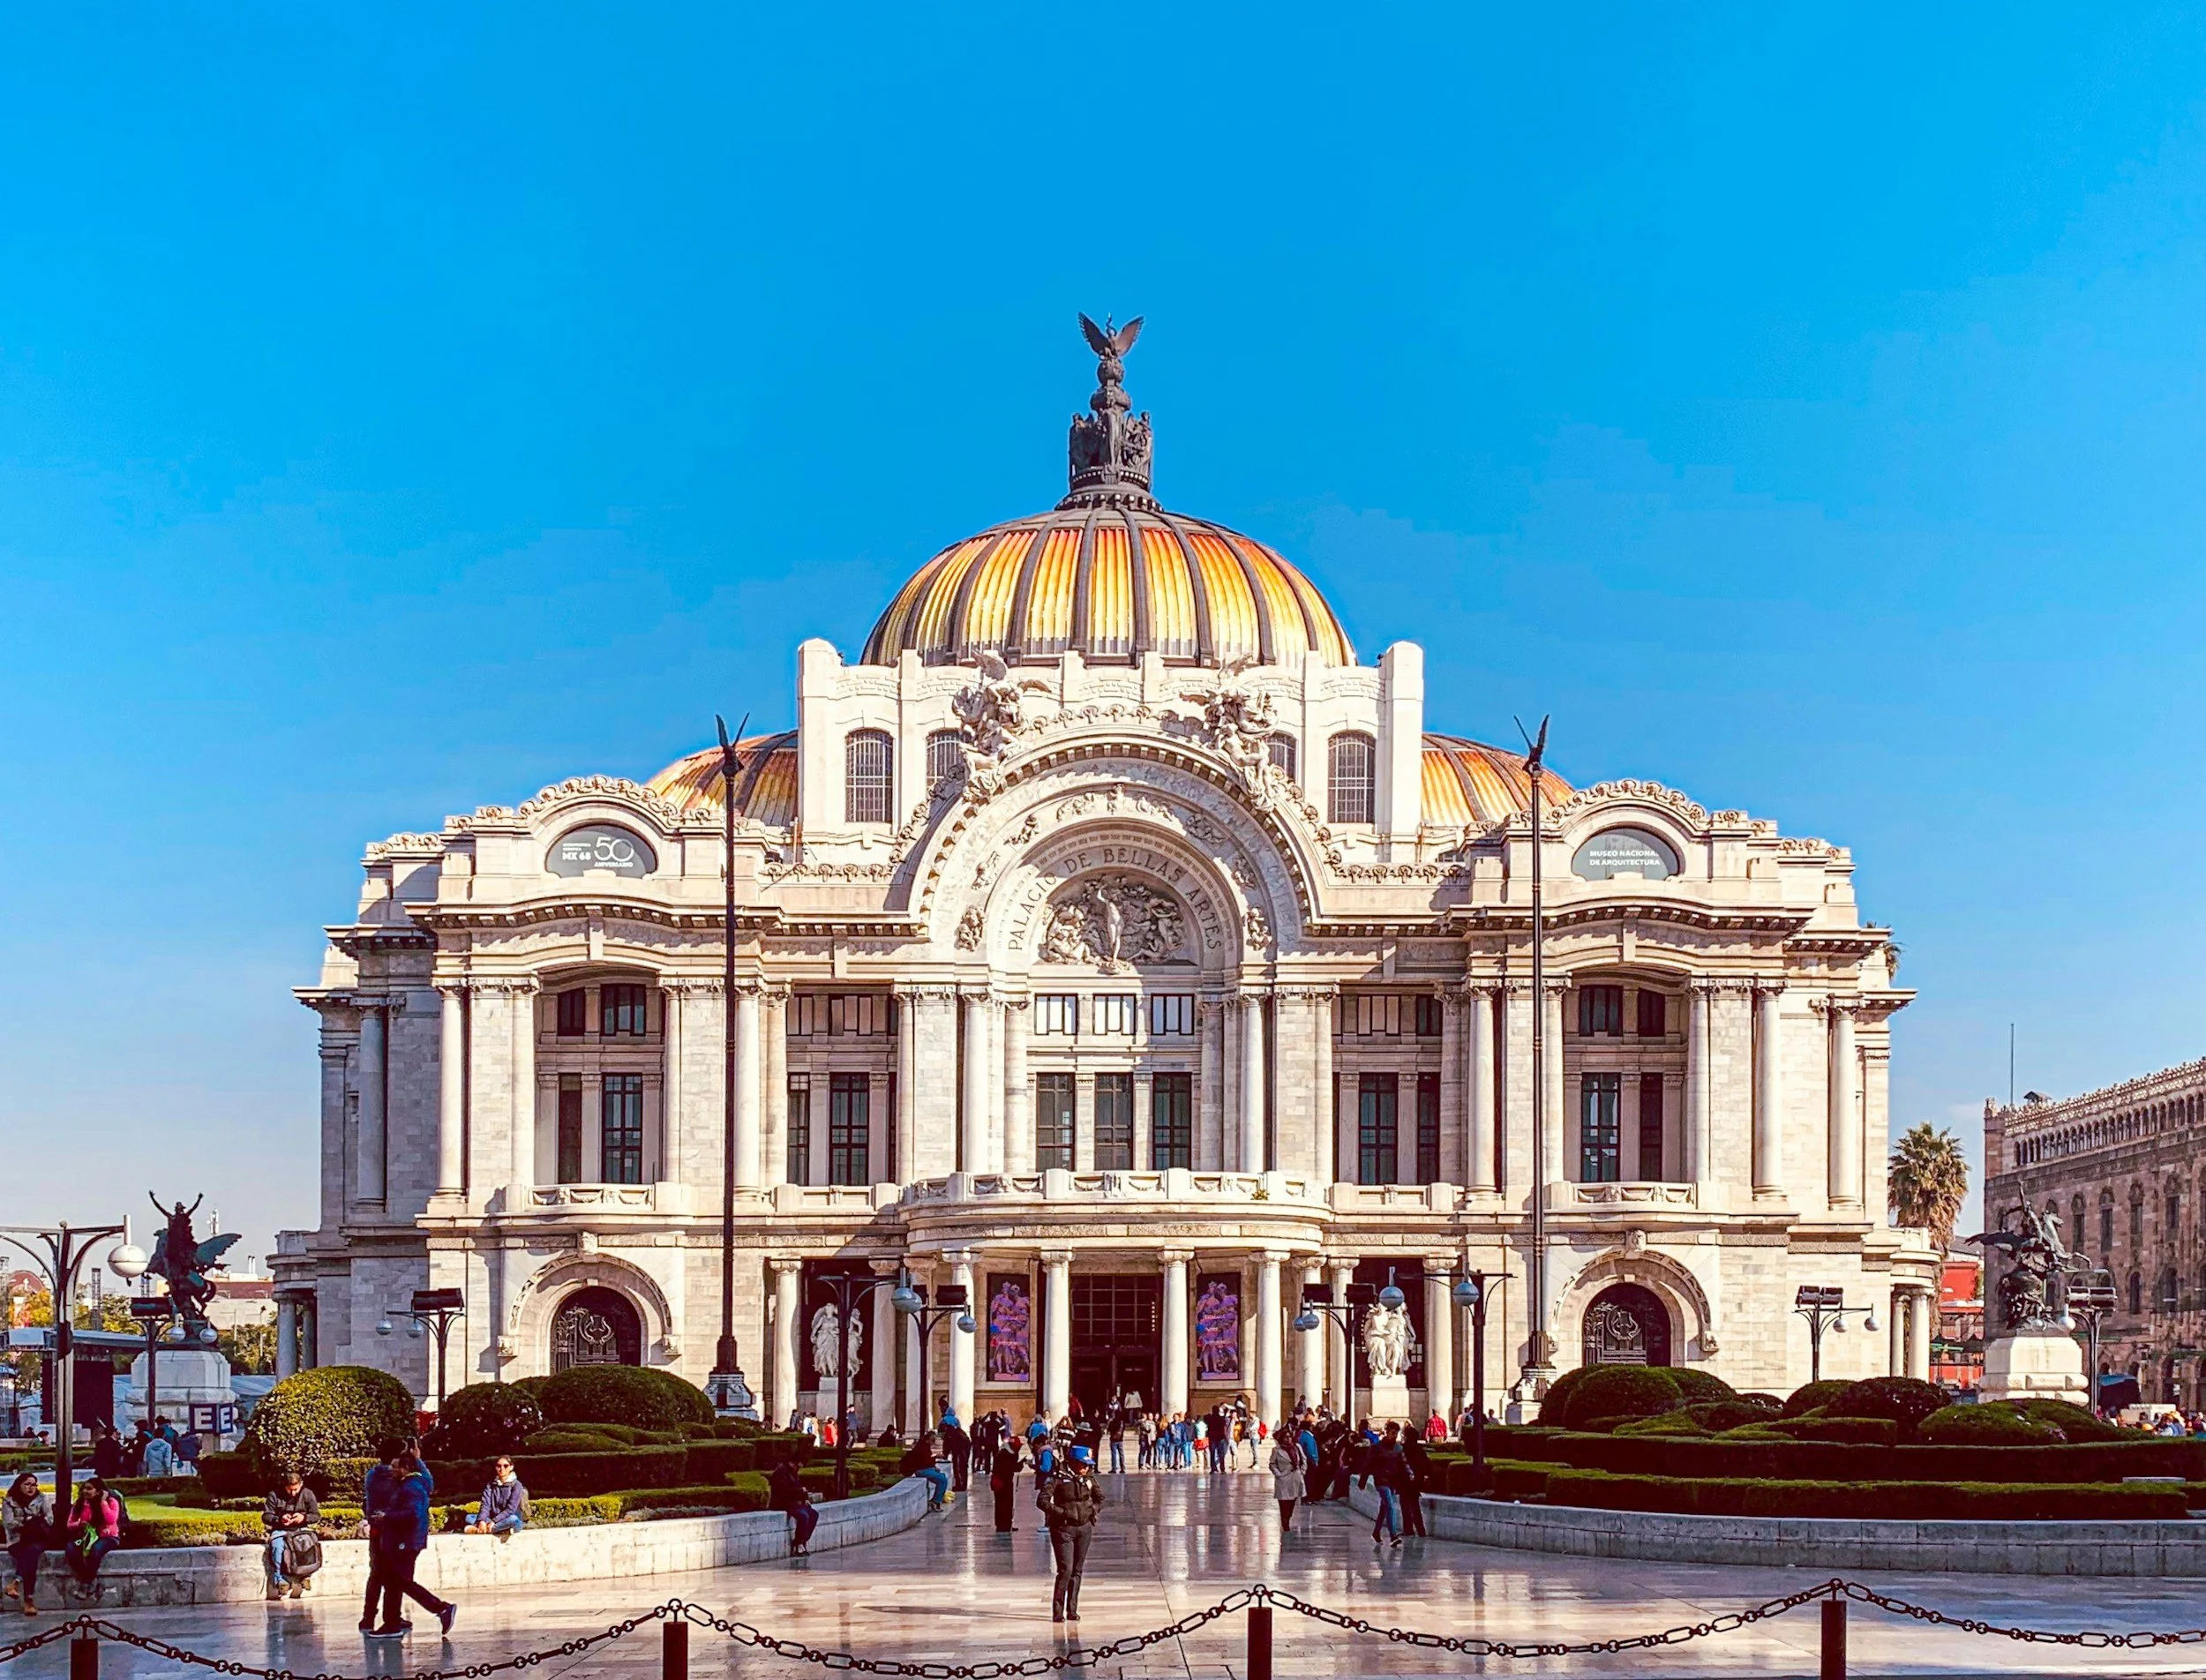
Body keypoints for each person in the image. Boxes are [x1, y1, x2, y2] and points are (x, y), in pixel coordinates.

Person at [363, 1439, 456, 1638]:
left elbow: (412, 1512)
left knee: (391, 1579)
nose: (392, 1471)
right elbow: (428, 1483)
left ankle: (392, 1619)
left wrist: (386, 1516)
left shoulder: (392, 1481)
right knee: (394, 1579)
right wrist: (417, 1459)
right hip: (397, 1537)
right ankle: (392, 1621)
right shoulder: (412, 1481)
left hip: (398, 1538)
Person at [1038, 1444, 1104, 1624]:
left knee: (1077, 1570)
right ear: (1073, 1462)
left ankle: (1072, 1609)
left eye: (1088, 1465)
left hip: (1084, 1528)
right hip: (1063, 1529)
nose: (1086, 1468)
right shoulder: (1057, 1477)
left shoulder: (1088, 1477)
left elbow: (1100, 1498)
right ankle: (1058, 1610)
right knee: (1065, 1569)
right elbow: (1042, 1501)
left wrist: (1092, 1511)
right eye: (1083, 1464)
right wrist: (1062, 1513)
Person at [263, 1469, 322, 1599]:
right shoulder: (274, 1495)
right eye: (290, 1490)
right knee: (277, 1548)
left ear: (301, 1484)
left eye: (296, 1489)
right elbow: (266, 1516)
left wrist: (303, 1518)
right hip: (281, 1530)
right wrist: (279, 1519)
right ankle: (279, 1580)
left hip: (301, 1529)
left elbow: (316, 1515)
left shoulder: (308, 1494)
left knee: (309, 1546)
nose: (293, 1493)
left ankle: (306, 1576)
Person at [63, 1477, 122, 1597]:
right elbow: (69, 1524)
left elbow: (111, 1520)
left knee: (96, 1550)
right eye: (84, 1488)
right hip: (85, 1537)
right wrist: (80, 1524)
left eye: (90, 1489)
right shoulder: (80, 1504)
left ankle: (86, 1584)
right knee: (70, 1549)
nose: (86, 1491)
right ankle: (88, 1580)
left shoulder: (111, 1502)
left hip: (108, 1537)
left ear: (99, 1491)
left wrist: (103, 1502)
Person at [3, 1474, 52, 1616]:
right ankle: (28, 1600)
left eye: (34, 1485)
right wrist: (28, 1521)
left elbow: (49, 1519)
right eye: (27, 1484)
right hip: (17, 1540)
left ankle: (15, 1583)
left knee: (32, 1551)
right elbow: (9, 1523)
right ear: (19, 1485)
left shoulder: (42, 1499)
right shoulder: (9, 1501)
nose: (31, 1488)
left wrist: (33, 1522)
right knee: (30, 1556)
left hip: (38, 1539)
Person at [465, 1458, 529, 1536]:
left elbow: (510, 1509)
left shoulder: (516, 1485)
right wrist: (482, 1521)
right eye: (499, 1466)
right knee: (469, 1517)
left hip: (509, 1519)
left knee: (513, 1520)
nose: (502, 1469)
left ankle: (484, 1529)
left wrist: (494, 1522)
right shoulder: (491, 1485)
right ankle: (501, 1530)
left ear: (511, 1467)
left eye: (505, 1466)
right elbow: (485, 1505)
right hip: (492, 1519)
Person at [767, 1460, 816, 1556]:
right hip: (784, 1503)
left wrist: (804, 1498)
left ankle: (802, 1541)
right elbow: (784, 1491)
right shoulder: (781, 1473)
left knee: (813, 1514)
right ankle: (798, 1544)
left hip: (794, 1502)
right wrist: (799, 1491)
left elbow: (799, 1485)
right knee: (803, 1516)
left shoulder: (792, 1472)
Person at [1369, 1424, 1407, 1548]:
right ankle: (1393, 1536)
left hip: (1392, 1481)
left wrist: (1410, 1474)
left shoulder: (1398, 1448)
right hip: (1381, 1480)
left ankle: (1376, 1533)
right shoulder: (1377, 1448)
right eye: (1393, 1433)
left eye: (1396, 1433)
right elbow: (1369, 1463)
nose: (1394, 1436)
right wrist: (1363, 1480)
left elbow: (1403, 1463)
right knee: (1390, 1505)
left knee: (1384, 1508)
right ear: (1387, 1432)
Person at [1267, 1422, 1306, 1534]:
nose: (1288, 1439)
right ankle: (1285, 1521)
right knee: (1284, 1502)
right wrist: (1278, 1473)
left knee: (1293, 1501)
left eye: (1290, 1437)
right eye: (1286, 1437)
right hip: (1283, 1479)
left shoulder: (1297, 1447)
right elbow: (1272, 1463)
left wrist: (1302, 1471)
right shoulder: (1277, 1450)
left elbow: (1304, 1459)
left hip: (1296, 1477)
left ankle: (1288, 1517)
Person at [900, 1433, 950, 1511]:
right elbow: (924, 1462)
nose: (933, 1443)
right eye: (933, 1441)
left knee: (943, 1476)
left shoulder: (924, 1446)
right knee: (942, 1479)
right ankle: (936, 1501)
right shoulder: (922, 1448)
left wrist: (934, 1466)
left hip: (924, 1468)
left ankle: (937, 1500)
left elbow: (927, 1461)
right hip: (920, 1470)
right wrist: (936, 1457)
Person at [987, 1436, 1023, 1533]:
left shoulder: (1007, 1453)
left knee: (1005, 1504)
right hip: (1003, 1483)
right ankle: (1003, 1525)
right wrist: (1018, 1466)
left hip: (1005, 1482)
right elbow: (1006, 1469)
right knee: (1003, 1504)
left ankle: (1006, 1524)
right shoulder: (1005, 1454)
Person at [942, 1413, 972, 1492]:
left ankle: (960, 1485)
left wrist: (944, 1455)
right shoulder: (958, 1431)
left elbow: (946, 1447)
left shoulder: (949, 1434)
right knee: (963, 1467)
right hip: (963, 1450)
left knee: (958, 1467)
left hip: (959, 1451)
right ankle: (962, 1485)